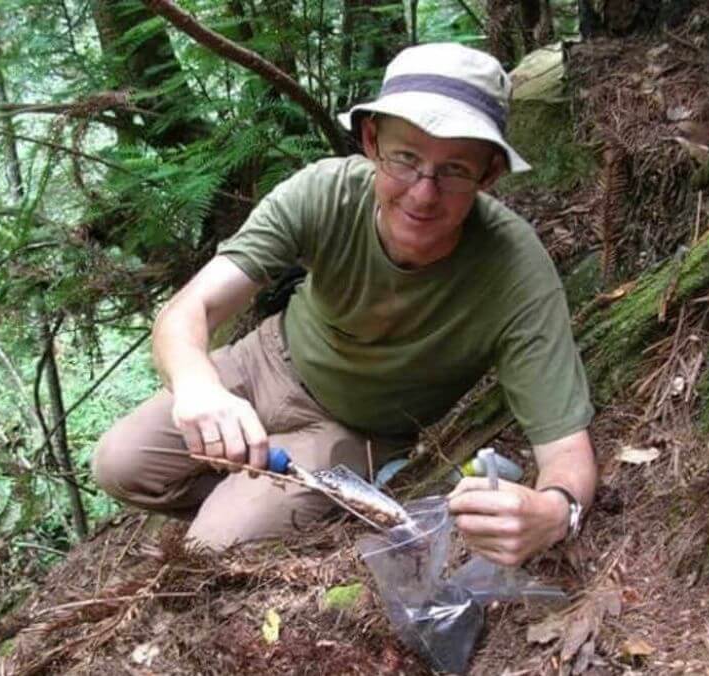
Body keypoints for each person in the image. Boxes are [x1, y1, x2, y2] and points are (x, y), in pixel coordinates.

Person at [92, 42, 596, 564]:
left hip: (357, 428)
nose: (423, 194)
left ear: (488, 175)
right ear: (372, 141)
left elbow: (566, 449)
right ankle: (258, 498)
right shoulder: (326, 193)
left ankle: (273, 505)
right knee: (119, 463)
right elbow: (187, 311)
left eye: (454, 171)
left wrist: (557, 511)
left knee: (211, 548)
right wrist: (198, 386)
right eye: (406, 159)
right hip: (263, 363)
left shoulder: (512, 268)